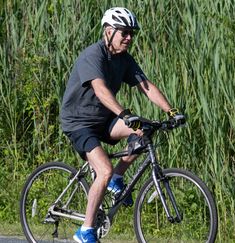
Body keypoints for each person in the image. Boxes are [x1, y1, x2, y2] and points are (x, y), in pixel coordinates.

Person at [60, 7, 185, 243]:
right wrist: (124, 113)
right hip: (79, 123)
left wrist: (172, 111)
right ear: (109, 31)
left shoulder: (124, 59)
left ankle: (117, 177)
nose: (129, 38)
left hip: (104, 121)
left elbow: (146, 86)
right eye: (124, 32)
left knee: (145, 130)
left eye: (132, 34)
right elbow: (100, 89)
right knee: (103, 169)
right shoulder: (92, 55)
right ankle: (85, 230)